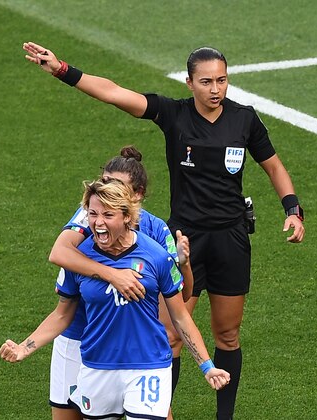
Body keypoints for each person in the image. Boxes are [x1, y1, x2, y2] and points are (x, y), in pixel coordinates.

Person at [22, 42, 305, 419]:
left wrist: (293, 209)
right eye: (206, 82)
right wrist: (63, 70)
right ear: (189, 82)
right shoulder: (174, 114)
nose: (216, 89)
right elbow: (114, 93)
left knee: (228, 334)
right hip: (183, 239)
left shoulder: (245, 119)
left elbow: (273, 165)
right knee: (171, 333)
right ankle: (158, 411)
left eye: (222, 80)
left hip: (231, 239)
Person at [0, 179, 230, 420]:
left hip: (148, 366)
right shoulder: (78, 260)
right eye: (92, 214)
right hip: (97, 367)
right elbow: (62, 314)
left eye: (108, 215)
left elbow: (180, 316)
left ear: (127, 218)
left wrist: (207, 366)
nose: (98, 223)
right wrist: (23, 348)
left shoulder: (156, 256)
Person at [46, 146, 194, 420]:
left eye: (116, 186)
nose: (106, 192)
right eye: (104, 183)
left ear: (136, 196)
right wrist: (113, 275)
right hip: (79, 337)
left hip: (129, 351)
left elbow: (179, 298)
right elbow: (58, 253)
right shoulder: (90, 216)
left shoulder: (156, 230)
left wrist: (184, 265)